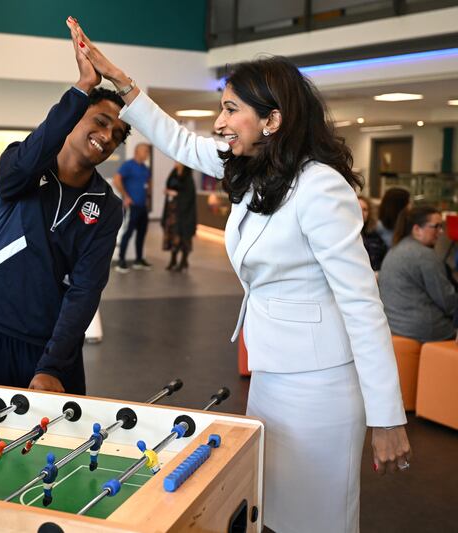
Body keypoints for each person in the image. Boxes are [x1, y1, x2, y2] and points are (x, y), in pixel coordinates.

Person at [67, 19, 410, 533]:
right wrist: (121, 82)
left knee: (317, 518)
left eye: (231, 109)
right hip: (270, 372)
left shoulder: (320, 187)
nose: (220, 122)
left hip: (322, 385)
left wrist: (388, 417)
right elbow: (179, 141)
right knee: (270, 507)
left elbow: (363, 304)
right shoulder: (253, 170)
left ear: (271, 120)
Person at [0, 25, 130, 395]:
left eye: (117, 135)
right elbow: (32, 156)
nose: (107, 137)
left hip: (53, 351)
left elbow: (86, 290)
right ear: (74, 119)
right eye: (101, 122)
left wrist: (53, 365)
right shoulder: (20, 170)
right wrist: (82, 88)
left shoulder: (107, 207)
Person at [379, 206, 457, 342]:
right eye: (436, 226)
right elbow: (448, 301)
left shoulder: (395, 249)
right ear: (417, 230)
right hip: (424, 331)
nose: (441, 231)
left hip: (394, 328)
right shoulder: (425, 255)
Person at [114, 142, 152, 272]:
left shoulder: (145, 168)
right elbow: (117, 179)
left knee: (141, 234)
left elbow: (147, 184)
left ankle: (139, 260)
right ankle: (121, 261)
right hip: (132, 207)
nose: (147, 154)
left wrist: (147, 199)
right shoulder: (128, 165)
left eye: (148, 151)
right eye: (145, 151)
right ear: (137, 152)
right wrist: (126, 197)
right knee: (127, 233)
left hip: (142, 207)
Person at [162, 162, 197, 272]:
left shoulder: (188, 178)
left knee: (183, 236)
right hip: (172, 211)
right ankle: (173, 260)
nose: (175, 162)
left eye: (177, 161)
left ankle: (183, 261)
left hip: (184, 213)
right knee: (173, 235)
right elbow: (169, 186)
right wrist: (168, 192)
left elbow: (189, 195)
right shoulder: (173, 174)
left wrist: (175, 194)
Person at [358, 195, 387, 272]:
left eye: (365, 209)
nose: (362, 213)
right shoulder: (345, 235)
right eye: (358, 208)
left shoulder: (375, 237)